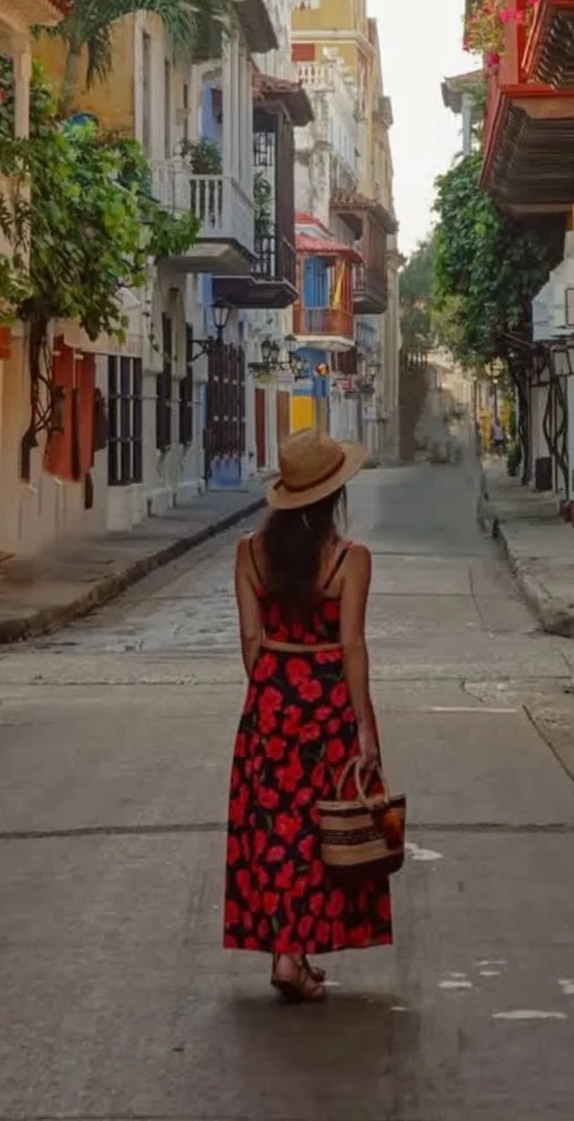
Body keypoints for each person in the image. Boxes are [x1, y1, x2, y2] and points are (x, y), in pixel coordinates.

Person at [223, 426, 393, 1001]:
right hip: (326, 705)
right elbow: (352, 647)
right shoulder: (350, 559)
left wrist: (273, 688)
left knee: (274, 831)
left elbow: (251, 637)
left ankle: (285, 952)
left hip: (270, 700)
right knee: (321, 830)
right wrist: (364, 726)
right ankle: (293, 955)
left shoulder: (248, 551)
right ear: (332, 496)